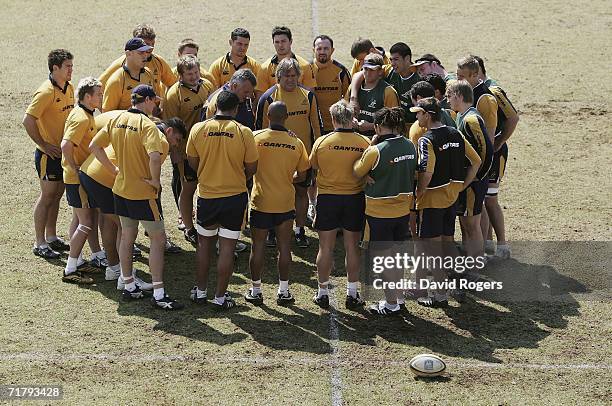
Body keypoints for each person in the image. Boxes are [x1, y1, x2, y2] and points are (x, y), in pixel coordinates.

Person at [89, 85, 184, 310]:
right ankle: (159, 294)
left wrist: (113, 170)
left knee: (127, 237)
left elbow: (94, 146)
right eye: (155, 101)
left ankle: (129, 284)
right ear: (148, 100)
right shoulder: (148, 125)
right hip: (142, 193)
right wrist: (155, 180)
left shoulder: (116, 119)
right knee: (158, 240)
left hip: (120, 189)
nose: (156, 105)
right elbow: (154, 156)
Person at [186, 91, 258, 310]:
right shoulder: (244, 132)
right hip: (234, 198)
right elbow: (252, 168)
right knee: (227, 248)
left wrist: (207, 174)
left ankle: (200, 292)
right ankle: (219, 297)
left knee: (203, 246)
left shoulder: (198, 129)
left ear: (215, 105)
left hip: (207, 196)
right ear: (236, 109)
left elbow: (192, 161)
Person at [411, 97, 481, 308]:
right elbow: (476, 161)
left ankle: (440, 294)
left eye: (419, 113)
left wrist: (418, 194)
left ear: (428, 115)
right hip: (451, 199)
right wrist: (462, 185)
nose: (416, 117)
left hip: (432, 201)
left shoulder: (426, 140)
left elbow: (427, 171)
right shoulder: (456, 133)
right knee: (445, 244)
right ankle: (453, 282)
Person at [353, 107, 417, 316]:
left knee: (383, 260)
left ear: (378, 127)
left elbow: (357, 171)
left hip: (379, 213)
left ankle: (390, 304)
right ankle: (398, 299)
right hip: (402, 211)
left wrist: (371, 146)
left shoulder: (376, 150)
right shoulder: (409, 145)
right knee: (396, 257)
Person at [246, 101, 310, 306]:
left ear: (267, 116)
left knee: (257, 248)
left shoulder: (256, 138)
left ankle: (256, 291)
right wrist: (287, 178)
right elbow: (302, 175)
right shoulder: (296, 143)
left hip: (261, 202)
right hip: (285, 202)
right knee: (284, 247)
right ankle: (283, 291)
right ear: (286, 117)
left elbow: (247, 166)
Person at [255, 58, 323, 247]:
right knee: (271, 193)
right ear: (278, 76)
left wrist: (316, 156)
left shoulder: (308, 96)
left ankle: (299, 230)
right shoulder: (268, 98)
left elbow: (317, 127)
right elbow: (258, 132)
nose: (291, 79)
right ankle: (271, 230)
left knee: (301, 193)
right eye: (287, 76)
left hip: (303, 157)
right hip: (273, 159)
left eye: (294, 75)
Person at [310, 100, 370, 309]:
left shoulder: (322, 142)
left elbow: (313, 167)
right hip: (354, 199)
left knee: (325, 248)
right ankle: (352, 293)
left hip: (328, 198)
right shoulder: (364, 142)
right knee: (352, 247)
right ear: (351, 119)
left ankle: (322, 292)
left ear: (334, 119)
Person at [23, 49, 75, 258]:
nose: (71, 70)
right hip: (47, 155)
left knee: (57, 195)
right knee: (47, 196)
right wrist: (44, 145)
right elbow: (28, 120)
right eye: (67, 67)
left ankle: (52, 237)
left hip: (61, 153)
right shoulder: (45, 92)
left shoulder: (69, 88)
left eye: (71, 66)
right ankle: (40, 242)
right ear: (55, 68)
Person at [163, 55, 215, 243]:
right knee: (188, 187)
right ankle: (188, 226)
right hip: (186, 149)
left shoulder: (208, 85)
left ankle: (207, 221)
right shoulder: (173, 95)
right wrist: (176, 154)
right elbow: (169, 127)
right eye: (189, 74)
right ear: (180, 75)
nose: (193, 77)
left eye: (195, 72)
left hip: (207, 147)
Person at [471, 56, 519, 258]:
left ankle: (502, 245)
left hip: (494, 151)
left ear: (478, 72)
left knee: (490, 199)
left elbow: (513, 117)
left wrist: (499, 142)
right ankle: (487, 243)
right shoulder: (471, 91)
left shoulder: (493, 91)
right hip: (482, 151)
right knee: (481, 200)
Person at [60, 77, 104, 284]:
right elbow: (66, 145)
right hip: (76, 178)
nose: (101, 97)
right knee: (85, 223)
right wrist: (74, 167)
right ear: (87, 97)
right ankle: (70, 269)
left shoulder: (85, 113)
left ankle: (77, 262)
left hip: (79, 176)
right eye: (98, 94)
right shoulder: (82, 118)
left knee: (79, 220)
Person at [446, 80, 493, 259]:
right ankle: (471, 260)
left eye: (449, 96)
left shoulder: (471, 119)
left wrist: (476, 178)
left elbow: (486, 152)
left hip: (473, 182)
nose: (448, 100)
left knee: (472, 225)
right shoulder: (460, 115)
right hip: (467, 181)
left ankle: (476, 263)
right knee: (466, 223)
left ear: (458, 96)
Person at [349, 42, 420, 128]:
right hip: (391, 126)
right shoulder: (390, 70)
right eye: (391, 59)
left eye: (396, 59)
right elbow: (360, 74)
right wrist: (353, 99)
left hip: (411, 127)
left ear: (407, 58)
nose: (393, 63)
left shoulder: (419, 79)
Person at [99, 24, 176, 90]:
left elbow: (173, 85)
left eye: (153, 44)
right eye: (147, 44)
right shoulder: (121, 64)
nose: (151, 48)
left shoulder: (158, 62)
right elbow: (99, 85)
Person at [346, 53, 399, 138]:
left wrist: (371, 126)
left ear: (380, 71)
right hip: (354, 138)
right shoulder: (353, 88)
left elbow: (395, 124)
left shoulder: (388, 92)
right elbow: (345, 110)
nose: (367, 73)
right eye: (365, 69)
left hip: (377, 139)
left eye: (372, 70)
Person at [256, 26, 317, 95]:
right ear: (273, 43)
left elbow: (311, 94)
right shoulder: (265, 68)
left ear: (290, 41)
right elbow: (260, 96)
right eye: (277, 42)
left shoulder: (305, 66)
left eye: (283, 41)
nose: (280, 45)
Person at [101, 38, 158, 112]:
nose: (145, 56)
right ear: (128, 54)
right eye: (140, 53)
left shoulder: (148, 73)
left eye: (145, 52)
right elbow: (107, 114)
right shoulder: (116, 81)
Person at [312, 35, 351, 134]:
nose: (322, 52)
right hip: (312, 126)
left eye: (326, 48)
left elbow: (349, 99)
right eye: (319, 48)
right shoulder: (306, 70)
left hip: (337, 126)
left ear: (332, 50)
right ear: (313, 50)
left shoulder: (341, 71)